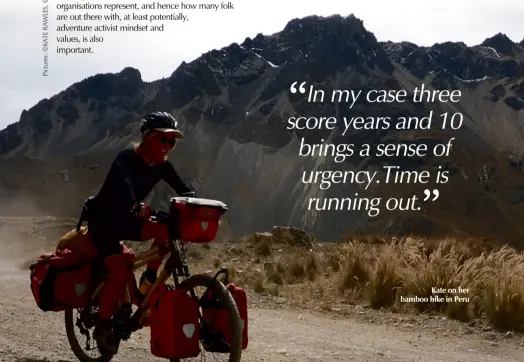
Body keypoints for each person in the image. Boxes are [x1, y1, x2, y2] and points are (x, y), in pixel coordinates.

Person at [86, 111, 195, 354]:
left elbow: (182, 187)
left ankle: (148, 280)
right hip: (104, 223)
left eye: (172, 142)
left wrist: (196, 202)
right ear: (146, 137)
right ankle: (103, 325)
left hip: (128, 221)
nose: (168, 146)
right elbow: (124, 186)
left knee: (167, 228)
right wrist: (135, 206)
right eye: (163, 139)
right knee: (118, 270)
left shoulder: (162, 165)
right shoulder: (126, 158)